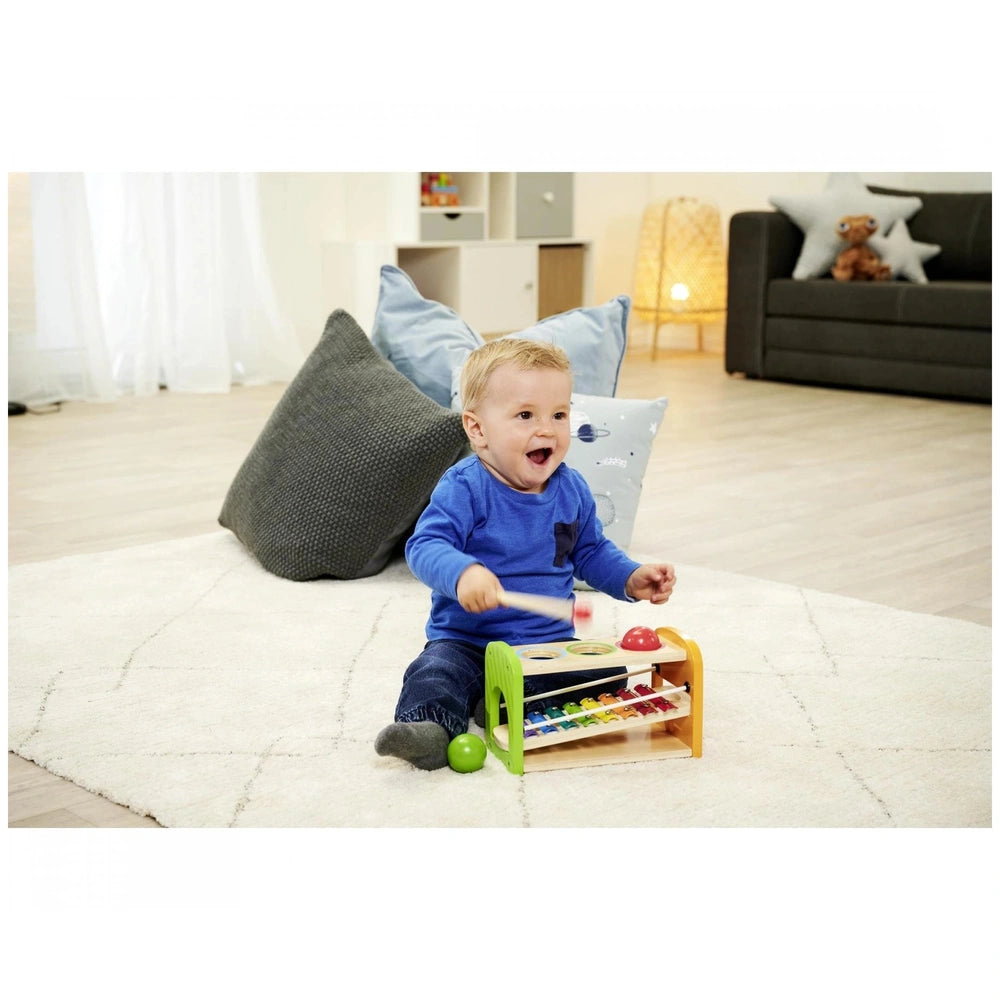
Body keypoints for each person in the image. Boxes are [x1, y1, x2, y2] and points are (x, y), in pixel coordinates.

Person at [375, 338, 676, 770]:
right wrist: (463, 573)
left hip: (546, 646)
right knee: (433, 674)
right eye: (525, 415)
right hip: (466, 642)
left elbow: (589, 552)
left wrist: (630, 577)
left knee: (609, 674)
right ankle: (430, 729)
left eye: (559, 414)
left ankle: (505, 702)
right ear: (477, 429)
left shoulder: (570, 490)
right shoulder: (464, 487)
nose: (547, 429)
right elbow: (424, 546)